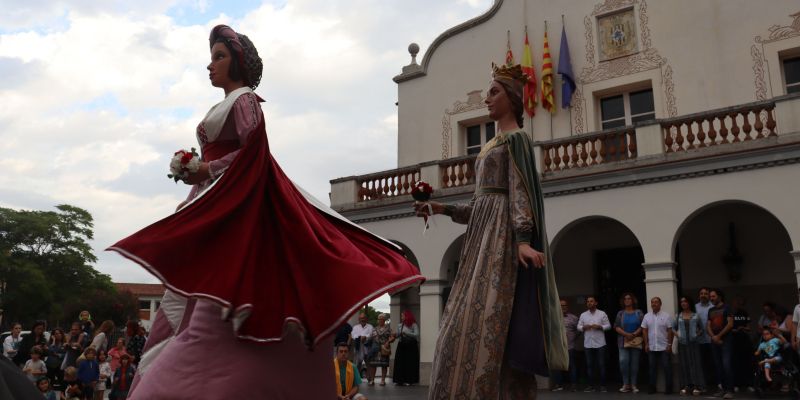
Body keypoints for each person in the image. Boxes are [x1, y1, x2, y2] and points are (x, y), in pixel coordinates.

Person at [107, 24, 423, 399]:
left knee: (217, 290)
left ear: (238, 63)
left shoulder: (244, 101)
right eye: (211, 58)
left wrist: (206, 169)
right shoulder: (228, 103)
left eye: (219, 57)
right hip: (217, 195)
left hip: (231, 195)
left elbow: (253, 149)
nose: (211, 66)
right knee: (198, 292)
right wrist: (197, 178)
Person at [419, 62, 568, 399]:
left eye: (494, 92)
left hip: (501, 240)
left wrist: (524, 240)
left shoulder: (517, 140)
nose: (487, 99)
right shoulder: (489, 146)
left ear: (512, 97)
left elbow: (520, 194)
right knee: (456, 327)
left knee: (494, 322)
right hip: (480, 237)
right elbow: (479, 206)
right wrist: (441, 208)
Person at [578, 296, 611, 392]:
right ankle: (590, 386)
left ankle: (603, 385)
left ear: (596, 303)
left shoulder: (602, 313)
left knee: (601, 364)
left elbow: (608, 326)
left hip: (600, 343)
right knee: (589, 365)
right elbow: (578, 326)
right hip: (588, 343)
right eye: (588, 301)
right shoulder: (583, 315)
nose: (589, 303)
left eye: (591, 301)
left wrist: (600, 326)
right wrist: (583, 327)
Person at [641, 297, 673, 394]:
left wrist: (669, 344)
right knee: (652, 368)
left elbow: (669, 331)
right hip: (651, 346)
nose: (654, 304)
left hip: (664, 347)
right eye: (652, 302)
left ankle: (669, 388)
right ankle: (652, 387)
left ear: (660, 304)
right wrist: (646, 344)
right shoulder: (647, 316)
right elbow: (644, 330)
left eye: (656, 302)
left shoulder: (666, 316)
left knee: (666, 367)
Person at [675, 295, 706, 395]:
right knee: (684, 364)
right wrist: (678, 335)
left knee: (695, 364)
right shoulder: (678, 316)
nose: (683, 303)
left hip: (693, 343)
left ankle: (698, 386)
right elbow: (672, 328)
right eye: (682, 302)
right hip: (682, 344)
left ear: (689, 303)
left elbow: (702, 328)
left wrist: (697, 334)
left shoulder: (696, 315)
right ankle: (686, 386)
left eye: (685, 301)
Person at [614, 292, 644, 393]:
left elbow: (643, 325)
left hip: (636, 341)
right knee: (623, 362)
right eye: (625, 299)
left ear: (633, 300)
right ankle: (626, 384)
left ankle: (633, 384)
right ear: (623, 301)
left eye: (629, 299)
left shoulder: (639, 312)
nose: (627, 300)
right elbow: (616, 326)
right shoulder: (620, 313)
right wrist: (626, 334)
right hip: (623, 341)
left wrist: (634, 334)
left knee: (634, 364)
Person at [707, 288, 735, 399]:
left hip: (726, 341)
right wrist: (713, 337)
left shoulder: (727, 308)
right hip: (714, 341)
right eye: (711, 297)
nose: (711, 298)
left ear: (719, 297)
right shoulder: (711, 310)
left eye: (713, 296)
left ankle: (730, 390)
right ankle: (722, 389)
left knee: (726, 365)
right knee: (718, 366)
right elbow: (708, 325)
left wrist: (719, 336)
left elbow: (730, 324)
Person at [551, 299, 579, 392]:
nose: (563, 307)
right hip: (558, 347)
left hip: (569, 346)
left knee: (572, 366)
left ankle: (574, 385)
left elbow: (579, 330)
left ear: (567, 306)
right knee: (558, 366)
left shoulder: (574, 318)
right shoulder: (554, 318)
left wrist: (573, 338)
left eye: (565, 305)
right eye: (561, 306)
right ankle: (558, 385)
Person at [730, 296, 754, 392]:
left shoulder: (744, 313)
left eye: (740, 303)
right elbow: (728, 327)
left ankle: (749, 383)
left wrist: (743, 328)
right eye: (737, 302)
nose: (738, 304)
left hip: (744, 340)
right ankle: (736, 384)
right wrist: (734, 330)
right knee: (735, 363)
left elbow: (749, 328)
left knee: (747, 362)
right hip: (734, 341)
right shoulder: (730, 313)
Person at [392, 310, 420, 386]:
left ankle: (409, 380)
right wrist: (395, 334)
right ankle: (399, 380)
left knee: (409, 363)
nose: (401, 317)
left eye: (402, 316)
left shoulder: (414, 325)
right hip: (401, 345)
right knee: (400, 362)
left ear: (407, 316)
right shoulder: (400, 325)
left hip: (411, 346)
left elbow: (416, 334)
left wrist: (406, 333)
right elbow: (398, 335)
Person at [366, 313, 394, 386]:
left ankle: (383, 380)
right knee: (373, 365)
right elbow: (370, 338)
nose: (379, 320)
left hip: (384, 348)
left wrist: (388, 342)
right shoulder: (374, 329)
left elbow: (393, 337)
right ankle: (372, 380)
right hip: (375, 348)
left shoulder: (388, 328)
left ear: (384, 320)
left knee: (384, 365)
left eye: (381, 319)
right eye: (378, 319)